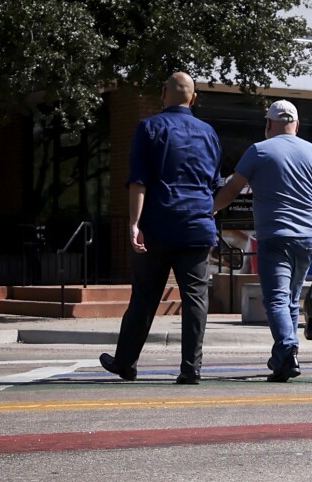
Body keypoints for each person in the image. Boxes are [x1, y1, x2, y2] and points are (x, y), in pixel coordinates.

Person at [213, 100, 312, 382]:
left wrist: (209, 210)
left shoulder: (259, 151)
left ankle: (287, 351)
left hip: (275, 236)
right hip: (308, 237)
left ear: (268, 124)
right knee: (290, 299)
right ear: (297, 125)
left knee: (276, 298)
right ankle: (286, 357)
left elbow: (232, 190)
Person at [99, 72, 221, 385]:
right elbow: (216, 184)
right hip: (197, 225)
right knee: (195, 299)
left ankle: (126, 362)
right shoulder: (209, 133)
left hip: (159, 223)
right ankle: (191, 368)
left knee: (144, 297)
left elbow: (139, 179)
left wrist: (134, 222)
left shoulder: (149, 127)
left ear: (163, 93)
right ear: (193, 99)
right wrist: (207, 212)